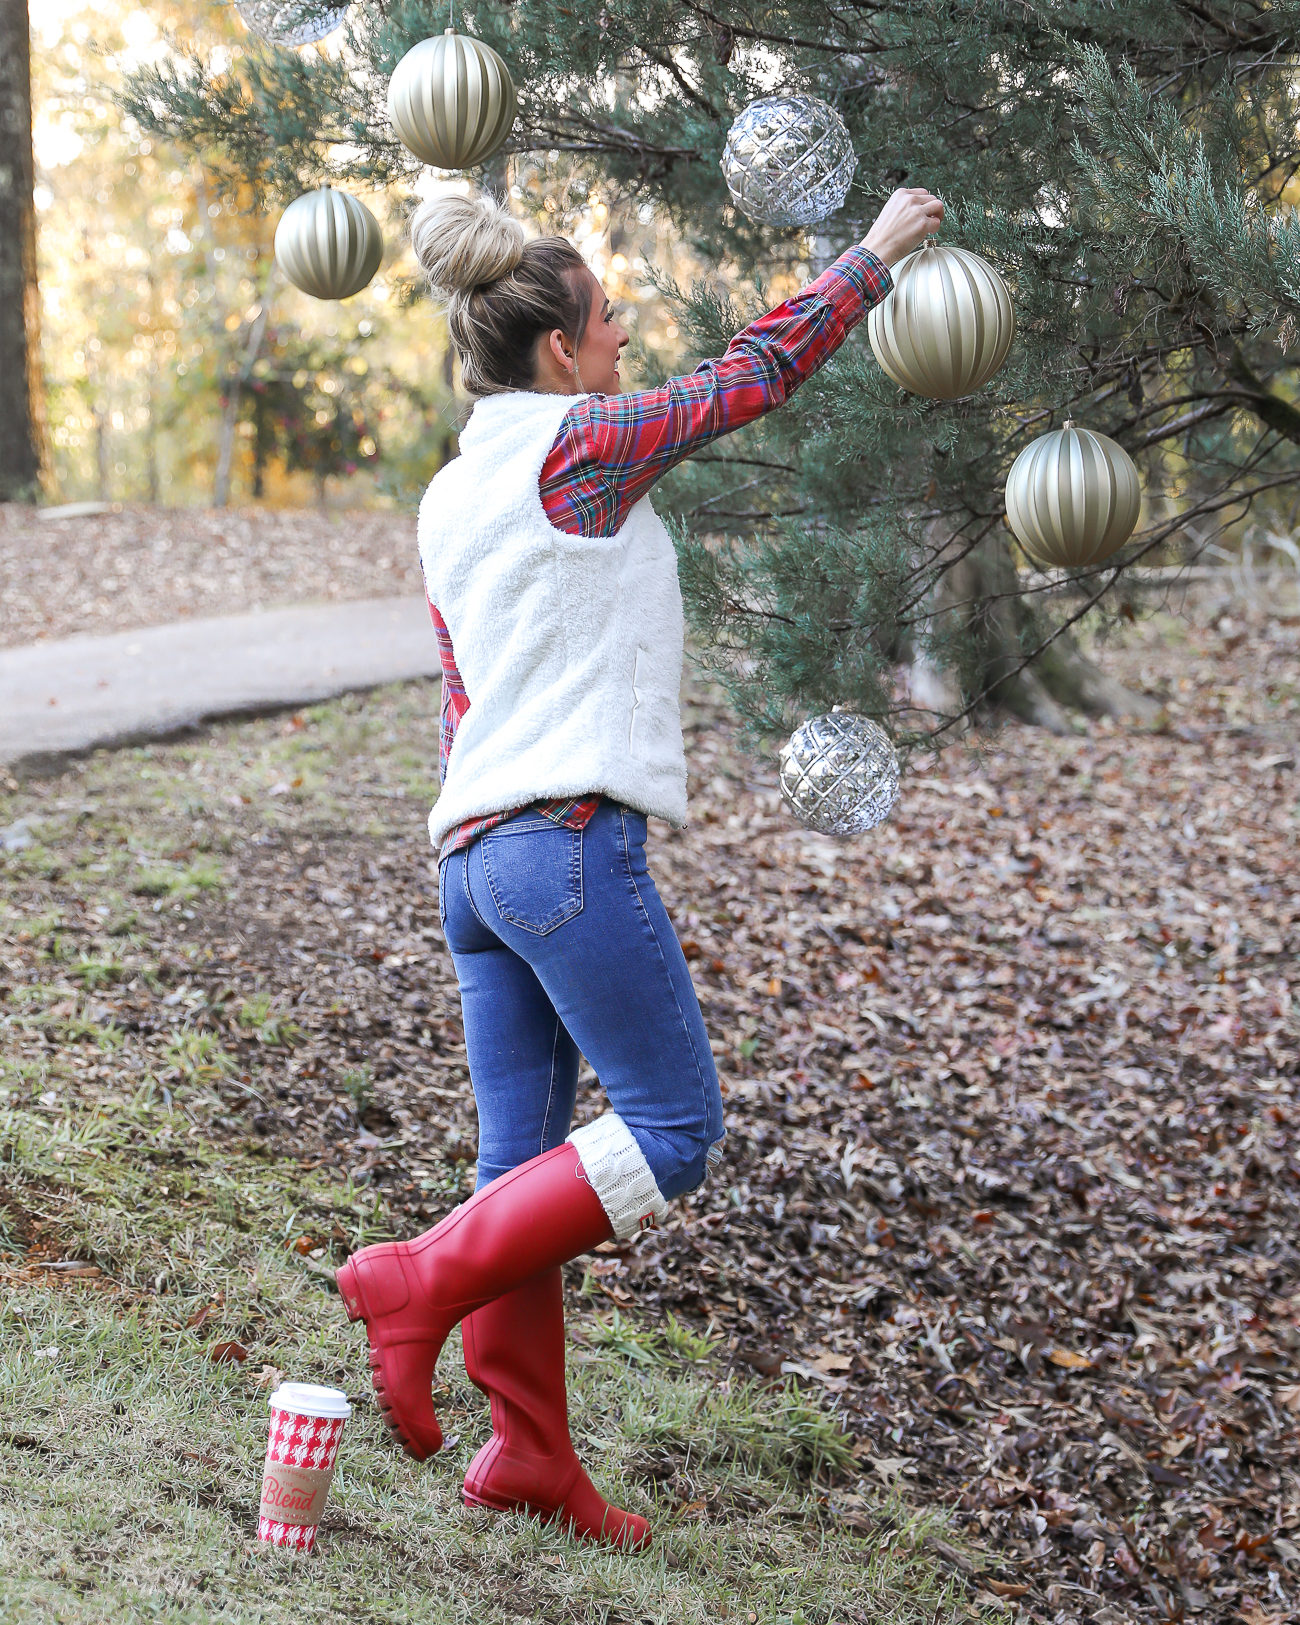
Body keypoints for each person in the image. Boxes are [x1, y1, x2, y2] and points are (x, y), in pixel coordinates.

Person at [337, 182, 944, 1549]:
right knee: (676, 1128)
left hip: (476, 860)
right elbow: (754, 374)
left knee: (521, 1166)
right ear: (560, 349)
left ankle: (529, 1453)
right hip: (559, 845)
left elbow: (461, 688)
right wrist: (874, 256)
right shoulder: (581, 448)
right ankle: (417, 1280)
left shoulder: (451, 491)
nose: (621, 344)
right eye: (608, 324)